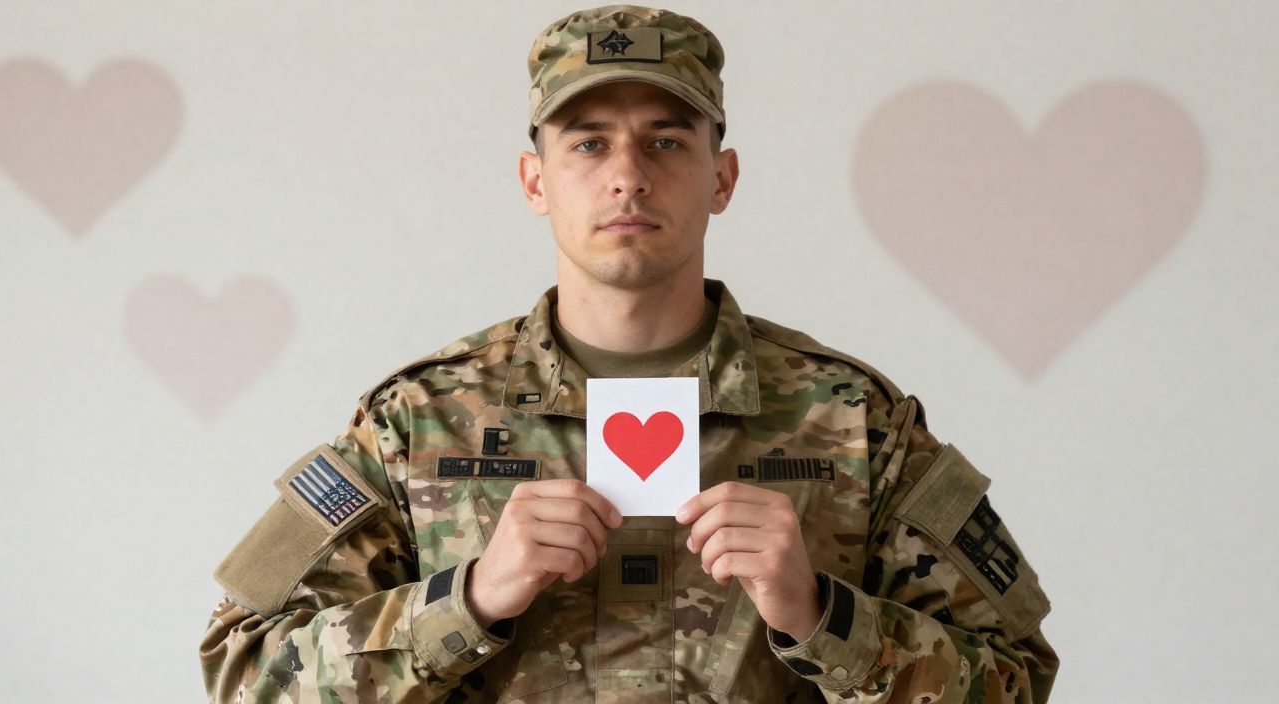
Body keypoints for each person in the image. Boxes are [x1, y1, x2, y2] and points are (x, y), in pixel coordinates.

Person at [198, 4, 1059, 702]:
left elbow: (1018, 681)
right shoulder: (420, 419)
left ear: (721, 178)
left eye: (666, 140)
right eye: (587, 141)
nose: (628, 174)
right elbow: (243, 672)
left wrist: (819, 615)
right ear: (535, 181)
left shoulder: (851, 419)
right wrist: (469, 600)